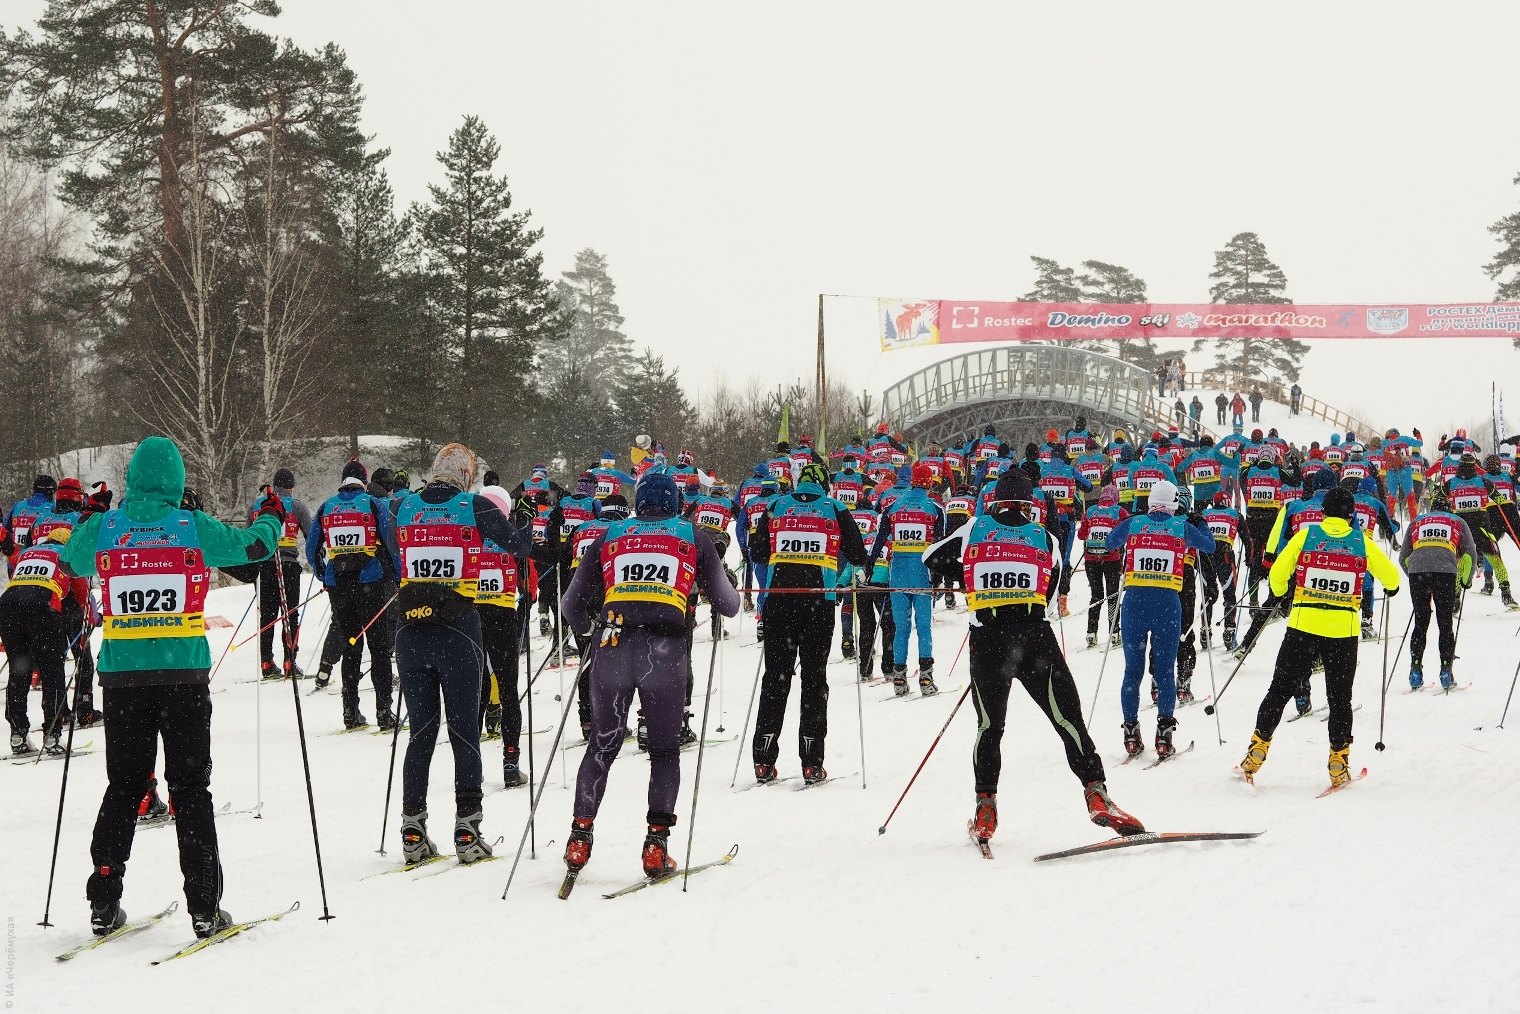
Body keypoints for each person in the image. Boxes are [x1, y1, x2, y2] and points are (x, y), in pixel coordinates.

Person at [57, 436, 282, 939]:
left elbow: (69, 561)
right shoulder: (190, 525)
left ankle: (104, 897)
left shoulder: (107, 526)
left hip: (123, 679)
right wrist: (271, 514)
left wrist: (96, 519)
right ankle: (204, 907)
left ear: (134, 479)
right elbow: (255, 547)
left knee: (125, 785)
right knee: (190, 789)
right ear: (177, 481)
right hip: (182, 677)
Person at [925, 468, 1144, 845]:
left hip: (989, 640)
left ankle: (986, 806)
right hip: (1033, 637)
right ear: (1031, 505)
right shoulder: (1044, 536)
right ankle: (1096, 792)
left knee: (989, 728)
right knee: (1068, 719)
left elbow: (932, 558)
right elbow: (1050, 588)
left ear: (995, 500)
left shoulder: (974, 528)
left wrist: (967, 575)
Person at [558, 471, 739, 881]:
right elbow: (728, 606)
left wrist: (590, 632)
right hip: (664, 652)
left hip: (613, 647)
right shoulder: (692, 535)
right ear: (675, 503)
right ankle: (656, 846)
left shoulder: (610, 534)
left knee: (602, 747)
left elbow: (571, 605)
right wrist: (720, 581)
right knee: (663, 751)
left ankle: (578, 837)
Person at [385, 443, 531, 865]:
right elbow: (519, 547)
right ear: (467, 476)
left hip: (411, 626)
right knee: (464, 731)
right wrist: (524, 517)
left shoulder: (403, 507)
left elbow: (396, 553)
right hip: (458, 630)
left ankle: (412, 829)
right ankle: (467, 830)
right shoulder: (477, 506)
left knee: (421, 733)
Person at [1235, 487, 1401, 788]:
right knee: (1339, 699)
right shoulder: (1361, 542)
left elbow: (1277, 576)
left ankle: (1256, 751)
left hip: (1303, 626)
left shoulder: (1305, 537)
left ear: (1323, 511)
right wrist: (1389, 588)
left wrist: (1285, 592)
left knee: (1279, 690)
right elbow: (1392, 578)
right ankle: (1338, 762)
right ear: (1351, 515)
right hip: (1342, 631)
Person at [748, 462, 868, 782]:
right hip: (818, 604)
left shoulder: (776, 504)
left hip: (778, 603)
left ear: (799, 484)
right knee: (814, 681)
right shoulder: (835, 507)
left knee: (776, 679)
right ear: (825, 486)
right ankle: (811, 761)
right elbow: (857, 554)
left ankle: (763, 758)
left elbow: (757, 552)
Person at [1104, 480, 1216, 758]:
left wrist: (1132, 528)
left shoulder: (1135, 523)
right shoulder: (1181, 526)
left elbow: (1109, 543)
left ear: (1151, 501)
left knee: (1133, 671)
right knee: (1165, 672)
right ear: (1174, 505)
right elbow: (1210, 546)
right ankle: (1164, 734)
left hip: (1134, 606)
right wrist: (1199, 522)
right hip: (1167, 606)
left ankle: (1131, 731)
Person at [306, 458, 400, 730]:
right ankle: (384, 712)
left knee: (351, 645)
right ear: (364, 482)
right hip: (369, 581)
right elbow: (391, 544)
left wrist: (324, 573)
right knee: (379, 647)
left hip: (340, 584)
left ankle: (350, 711)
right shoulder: (373, 504)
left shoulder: (327, 506)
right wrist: (398, 576)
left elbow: (312, 549)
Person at [2, 527, 92, 755]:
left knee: (19, 671)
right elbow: (83, 597)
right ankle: (52, 734)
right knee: (52, 672)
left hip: (8, 604)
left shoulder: (28, 553)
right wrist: (94, 618)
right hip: (43, 605)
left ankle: (17, 733)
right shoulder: (67, 555)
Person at [870, 463, 946, 696]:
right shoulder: (935, 508)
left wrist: (868, 566)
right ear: (929, 483)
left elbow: (879, 540)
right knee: (923, 627)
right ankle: (926, 677)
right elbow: (939, 548)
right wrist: (939, 578)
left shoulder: (893, 507)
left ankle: (899, 679)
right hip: (922, 575)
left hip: (898, 575)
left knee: (900, 627)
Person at [1400, 487, 1475, 689]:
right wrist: (1466, 581)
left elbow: (1403, 556)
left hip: (1418, 573)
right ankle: (1446, 671)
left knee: (1421, 622)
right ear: (1449, 509)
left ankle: (1415, 670)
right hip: (1445, 572)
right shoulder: (1457, 522)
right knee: (1445, 623)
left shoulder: (1417, 522)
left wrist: (1414, 575)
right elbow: (1470, 555)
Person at [248, 467, 312, 679]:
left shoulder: (256, 505)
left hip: (263, 566)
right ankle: (289, 661)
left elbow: (249, 537)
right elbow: (310, 535)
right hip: (288, 565)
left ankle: (266, 662)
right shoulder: (297, 506)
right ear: (290, 487)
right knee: (290, 614)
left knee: (267, 615)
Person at [1078, 485, 1126, 648]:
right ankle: (1114, 633)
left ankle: (1091, 633)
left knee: (1096, 594)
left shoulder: (1091, 510)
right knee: (1112, 595)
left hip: (1092, 559)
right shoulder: (1119, 511)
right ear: (1115, 497)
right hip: (1111, 558)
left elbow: (1081, 535)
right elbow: (1127, 532)